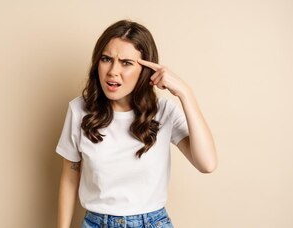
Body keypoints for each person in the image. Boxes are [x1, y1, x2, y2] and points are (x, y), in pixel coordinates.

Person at [56, 20, 217, 228]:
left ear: (145, 69)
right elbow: (69, 179)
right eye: (106, 59)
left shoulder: (164, 112)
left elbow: (207, 164)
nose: (113, 71)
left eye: (126, 62)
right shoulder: (79, 111)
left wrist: (185, 93)